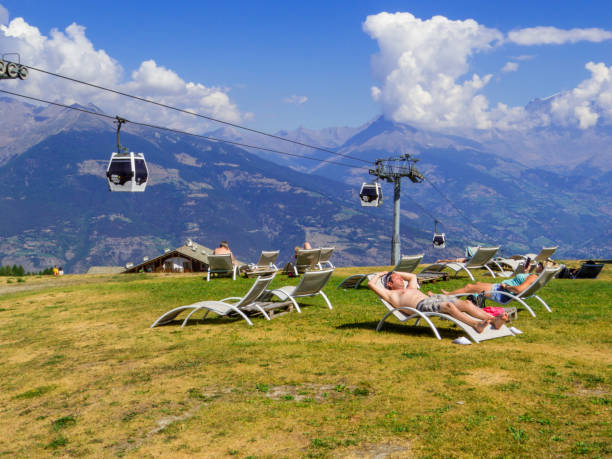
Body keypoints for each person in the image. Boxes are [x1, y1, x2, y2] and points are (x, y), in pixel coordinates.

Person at [368, 270, 506, 333]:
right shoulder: (391, 294)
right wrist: (381, 274)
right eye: (396, 278)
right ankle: (476, 324)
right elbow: (371, 284)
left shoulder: (410, 286)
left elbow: (412, 276)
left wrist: (394, 272)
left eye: (399, 277)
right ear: (389, 284)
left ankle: (494, 320)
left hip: (432, 299)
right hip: (421, 306)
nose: (400, 279)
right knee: (448, 306)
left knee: (467, 304)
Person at [441, 260, 544, 304]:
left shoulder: (533, 277)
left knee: (469, 287)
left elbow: (518, 289)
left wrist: (506, 286)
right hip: (500, 289)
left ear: (542, 269)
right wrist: (526, 271)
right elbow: (523, 284)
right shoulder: (535, 277)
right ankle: (453, 299)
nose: (537, 266)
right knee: (477, 284)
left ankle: (446, 297)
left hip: (502, 293)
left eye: (540, 265)